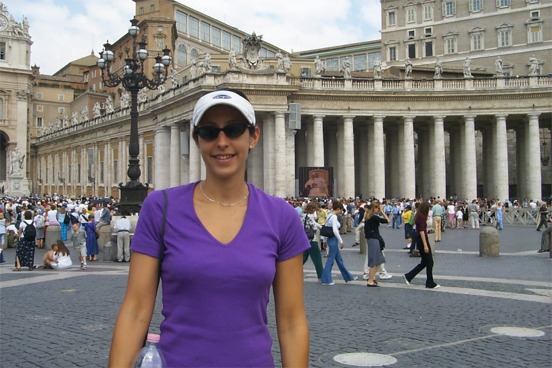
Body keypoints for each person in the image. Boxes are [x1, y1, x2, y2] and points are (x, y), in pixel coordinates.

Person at [109, 89, 310, 367]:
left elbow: (291, 321)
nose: (222, 142)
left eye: (234, 129)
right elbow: (135, 311)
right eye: (209, 132)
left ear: (253, 136)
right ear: (196, 140)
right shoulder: (160, 208)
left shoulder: (282, 217)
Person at [403, 201, 440, 289]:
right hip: (422, 239)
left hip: (419, 239)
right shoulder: (422, 217)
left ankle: (409, 276)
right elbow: (422, 231)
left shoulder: (419, 216)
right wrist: (425, 245)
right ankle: (429, 282)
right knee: (430, 262)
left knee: (424, 262)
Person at [320, 200, 358, 285]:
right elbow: (334, 230)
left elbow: (326, 229)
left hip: (330, 239)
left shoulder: (329, 215)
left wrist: (325, 241)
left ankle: (348, 277)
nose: (341, 211)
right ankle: (326, 279)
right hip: (333, 239)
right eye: (341, 210)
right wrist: (341, 241)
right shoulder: (333, 217)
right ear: (338, 208)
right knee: (330, 260)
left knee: (339, 260)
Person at [363, 200, 390, 287]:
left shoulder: (368, 216)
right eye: (378, 208)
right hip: (374, 239)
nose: (379, 210)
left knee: (380, 260)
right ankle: (370, 280)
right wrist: (382, 211)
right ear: (375, 208)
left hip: (373, 239)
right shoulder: (374, 217)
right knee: (374, 261)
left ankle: (372, 278)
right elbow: (387, 220)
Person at [302, 202, 323, 280]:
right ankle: (321, 275)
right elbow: (314, 227)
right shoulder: (310, 217)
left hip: (304, 238)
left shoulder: (303, 216)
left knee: (304, 257)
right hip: (311, 239)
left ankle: (292, 269)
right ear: (313, 209)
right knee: (317, 258)